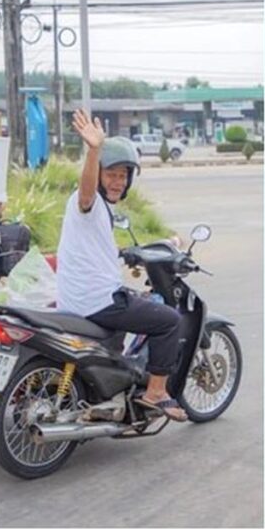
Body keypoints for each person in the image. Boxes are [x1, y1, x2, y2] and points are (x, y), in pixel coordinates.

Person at [56, 108, 187, 421]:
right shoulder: (86, 200)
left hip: (79, 296)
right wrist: (94, 150)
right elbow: (87, 190)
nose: (117, 182)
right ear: (99, 173)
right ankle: (156, 392)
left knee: (133, 306)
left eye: (122, 175)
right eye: (110, 174)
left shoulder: (101, 210)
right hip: (95, 300)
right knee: (168, 320)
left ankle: (107, 396)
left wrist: (132, 251)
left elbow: (95, 246)